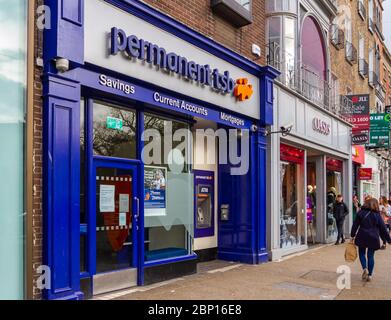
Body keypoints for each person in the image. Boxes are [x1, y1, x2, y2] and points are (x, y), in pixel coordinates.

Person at [351, 198, 391, 282]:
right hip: (373, 237)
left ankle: (365, 268)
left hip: (362, 235)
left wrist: (352, 235)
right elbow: (383, 228)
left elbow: (355, 225)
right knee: (370, 255)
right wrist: (388, 240)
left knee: (361, 253)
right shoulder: (377, 215)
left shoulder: (360, 213)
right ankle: (370, 275)